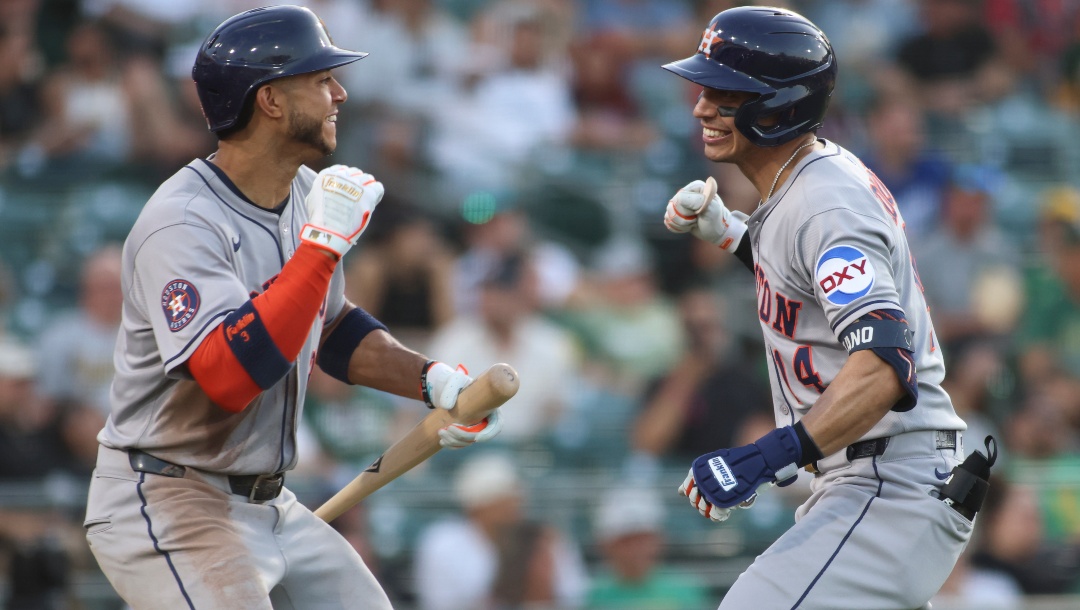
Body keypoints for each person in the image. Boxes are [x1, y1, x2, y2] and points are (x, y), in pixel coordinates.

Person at [81, 7, 504, 609]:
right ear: (272, 100)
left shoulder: (304, 194)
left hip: (271, 501)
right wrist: (323, 247)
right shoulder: (180, 221)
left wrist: (432, 382)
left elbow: (330, 328)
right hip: (169, 497)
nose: (340, 92)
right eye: (321, 79)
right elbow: (229, 377)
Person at [660, 7, 978, 609]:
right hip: (877, 479)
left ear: (780, 104)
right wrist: (727, 231)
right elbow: (803, 279)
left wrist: (764, 457)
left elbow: (884, 367)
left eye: (725, 94)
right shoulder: (807, 180)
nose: (701, 106)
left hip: (889, 484)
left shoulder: (824, 203)